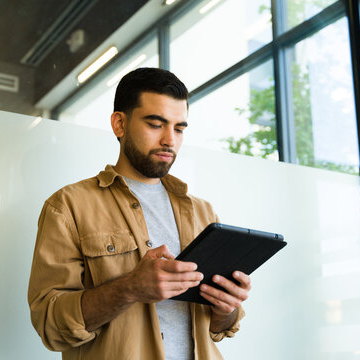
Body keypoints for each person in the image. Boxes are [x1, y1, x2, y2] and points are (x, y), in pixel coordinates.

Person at [28, 67, 251, 360]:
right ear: (119, 124)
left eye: (179, 128)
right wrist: (130, 289)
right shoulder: (68, 206)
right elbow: (50, 325)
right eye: (156, 124)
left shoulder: (203, 212)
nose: (170, 140)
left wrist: (227, 307)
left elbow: (217, 329)